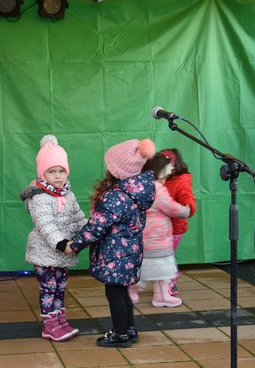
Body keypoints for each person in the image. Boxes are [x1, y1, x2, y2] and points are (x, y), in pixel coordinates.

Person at [65, 139, 156, 348]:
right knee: (122, 291)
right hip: (130, 253)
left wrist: (75, 245)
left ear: (118, 169)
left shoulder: (116, 197)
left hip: (116, 254)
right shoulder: (136, 192)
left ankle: (120, 334)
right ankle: (129, 329)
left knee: (114, 293)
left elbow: (96, 227)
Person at [20, 135, 87, 342]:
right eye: (52, 171)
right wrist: (62, 244)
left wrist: (89, 231)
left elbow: (77, 216)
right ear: (42, 173)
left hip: (62, 254)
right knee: (48, 288)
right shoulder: (39, 197)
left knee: (60, 286)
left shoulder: (68, 194)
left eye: (61, 171)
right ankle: (49, 326)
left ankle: (60, 320)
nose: (57, 176)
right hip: (45, 252)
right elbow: (45, 224)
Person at [129, 153, 189, 308]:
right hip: (158, 239)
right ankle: (156, 295)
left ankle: (148, 293)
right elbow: (170, 207)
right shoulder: (158, 189)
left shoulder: (139, 186)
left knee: (147, 268)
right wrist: (185, 210)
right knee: (163, 269)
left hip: (143, 237)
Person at [159, 148, 196, 296]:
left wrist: (188, 207)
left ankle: (170, 285)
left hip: (174, 228)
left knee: (166, 257)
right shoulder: (165, 180)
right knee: (166, 256)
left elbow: (187, 198)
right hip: (163, 228)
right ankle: (170, 279)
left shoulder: (181, 182)